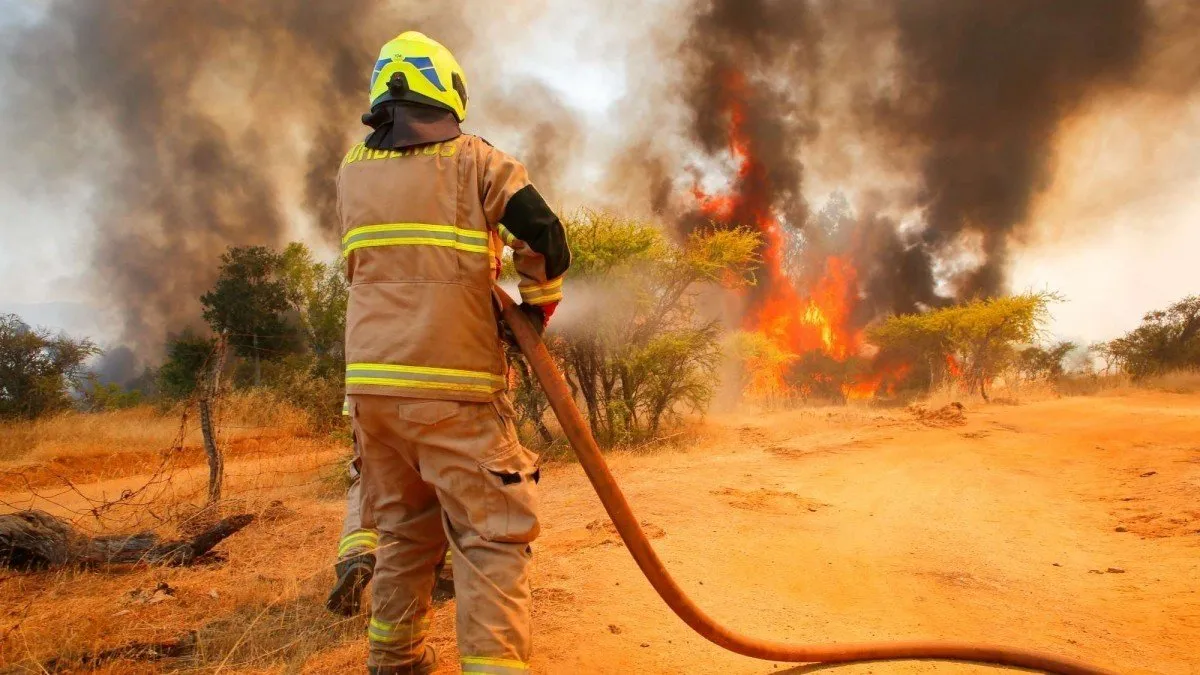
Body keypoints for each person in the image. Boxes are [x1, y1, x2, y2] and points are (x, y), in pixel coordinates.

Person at [337, 31, 570, 674]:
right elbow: (545, 232)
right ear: (446, 92)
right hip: (456, 392)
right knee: (491, 536)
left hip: (374, 398)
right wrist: (536, 308)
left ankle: (395, 660)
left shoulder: (352, 170)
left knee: (404, 533)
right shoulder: (476, 161)